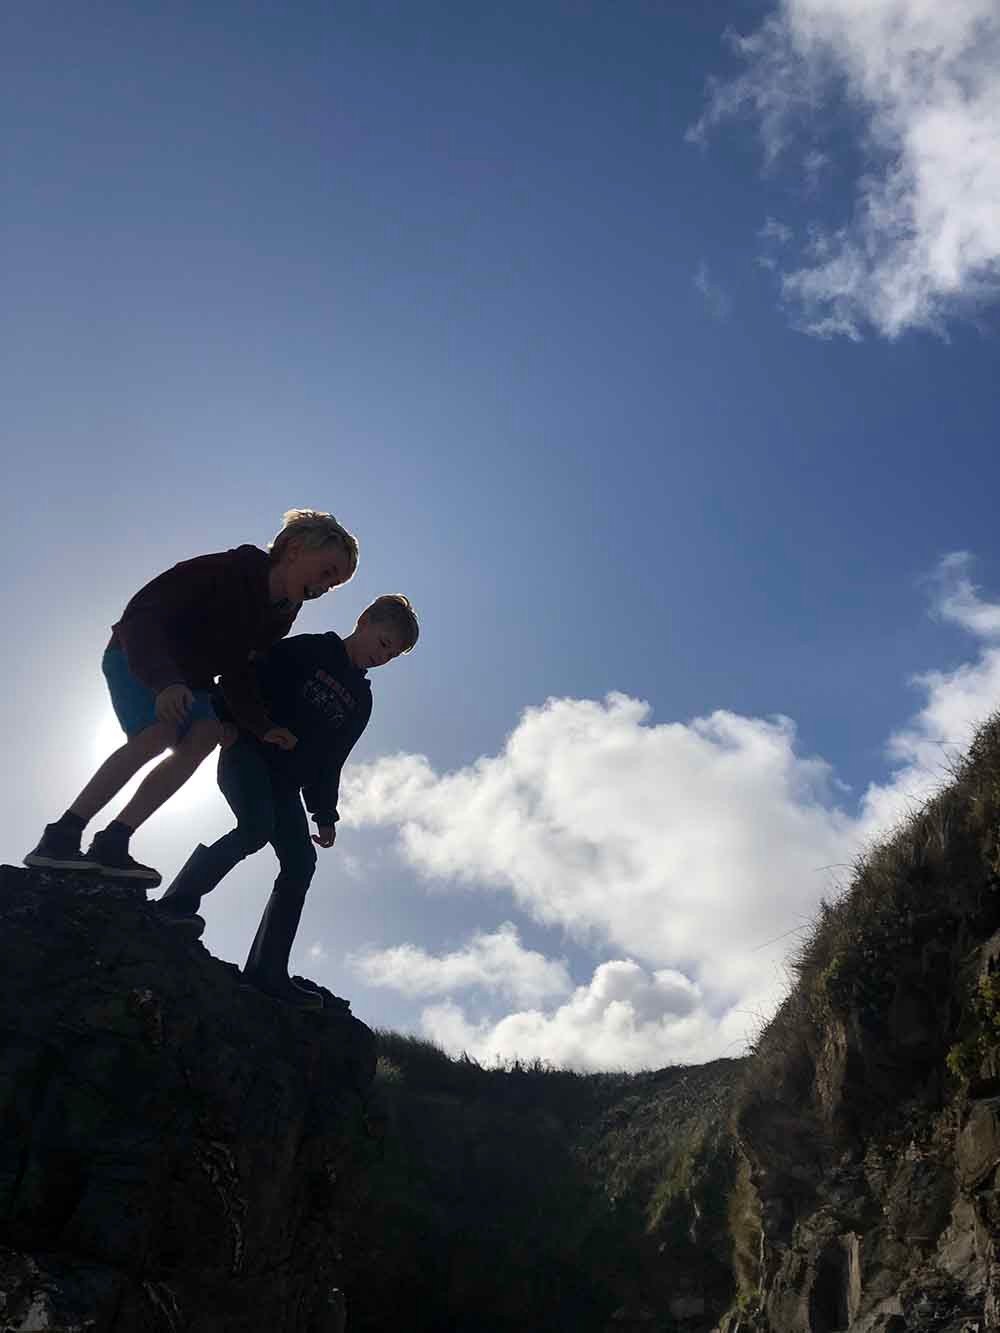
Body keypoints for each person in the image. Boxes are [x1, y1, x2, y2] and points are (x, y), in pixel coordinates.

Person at [24, 510, 359, 886]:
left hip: (189, 682)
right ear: (294, 550)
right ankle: (61, 835)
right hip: (138, 655)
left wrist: (259, 725)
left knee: (206, 733)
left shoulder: (280, 616)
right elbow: (142, 616)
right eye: (327, 572)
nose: (325, 587)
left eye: (334, 584)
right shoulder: (226, 571)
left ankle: (113, 841)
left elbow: (238, 671)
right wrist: (164, 681)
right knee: (161, 732)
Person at [157, 594, 420, 1009]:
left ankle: (267, 970)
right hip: (247, 752)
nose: (382, 657)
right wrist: (225, 720)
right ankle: (176, 904)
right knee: (254, 829)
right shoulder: (311, 648)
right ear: (365, 620)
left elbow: (332, 760)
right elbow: (246, 675)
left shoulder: (361, 701)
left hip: (286, 786)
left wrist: (325, 813)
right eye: (384, 643)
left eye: (392, 656)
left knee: (300, 862)